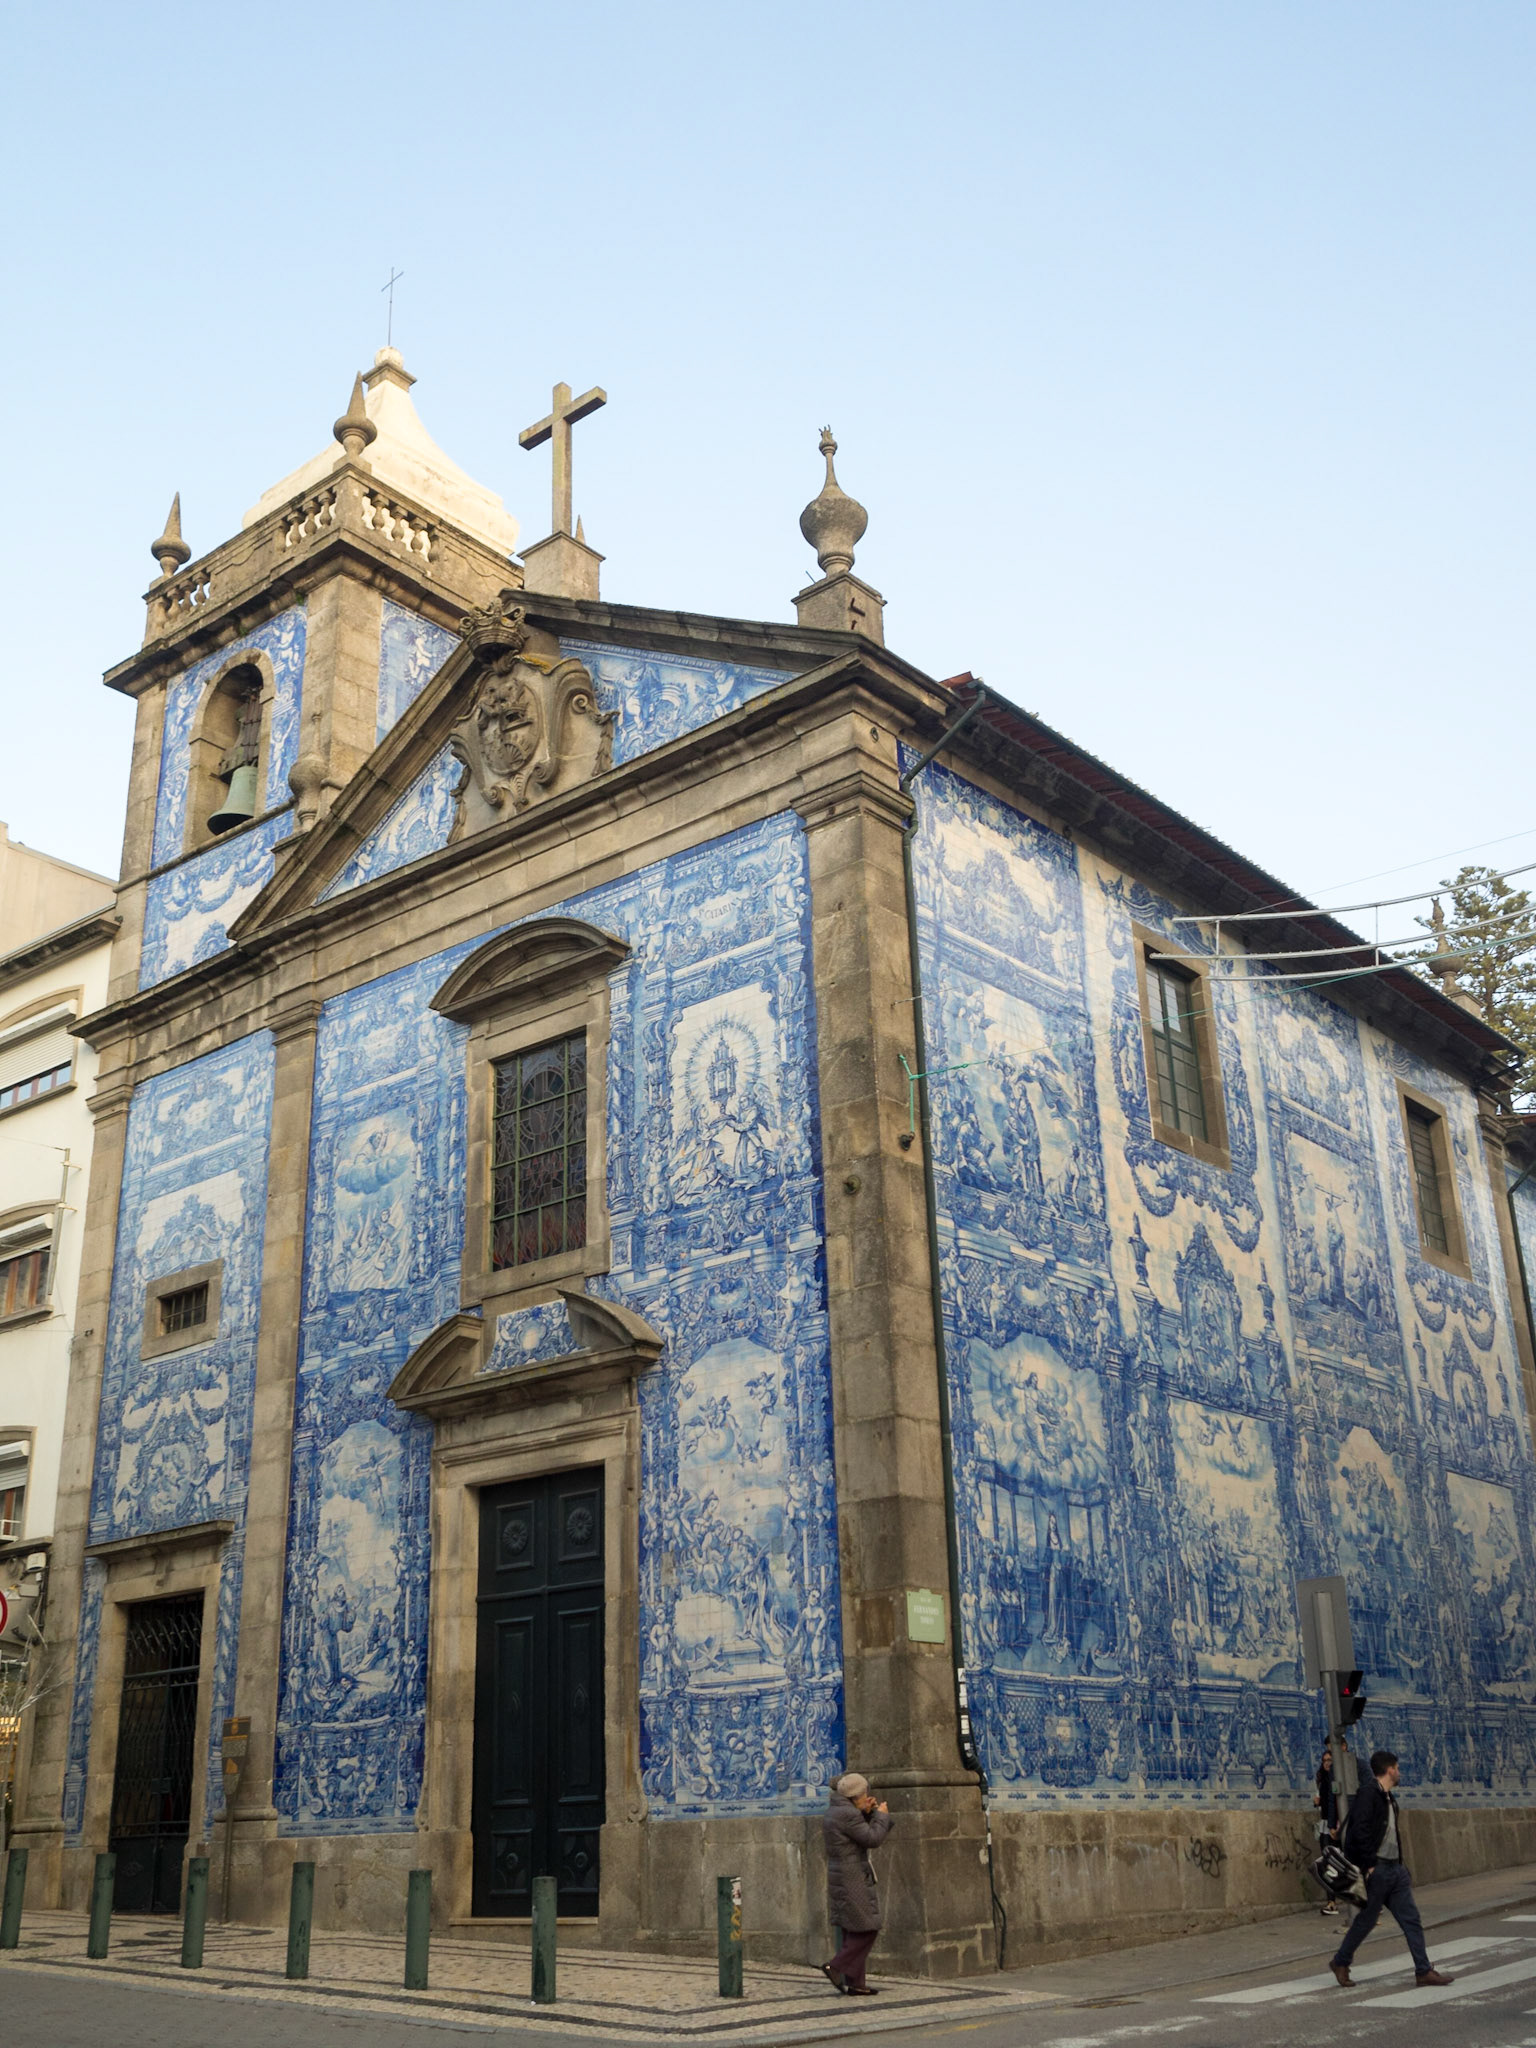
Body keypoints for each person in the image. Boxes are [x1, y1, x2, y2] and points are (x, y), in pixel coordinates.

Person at [1330, 1750, 1454, 1987]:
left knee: (1411, 1919)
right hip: (1378, 1871)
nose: (1399, 1772)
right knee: (1365, 1921)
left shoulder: (1388, 1797)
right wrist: (1370, 1865)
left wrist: (1400, 1864)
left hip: (1395, 1871)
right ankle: (1340, 1961)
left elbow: (1389, 1833)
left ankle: (1423, 1970)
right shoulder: (1369, 1794)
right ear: (1389, 1770)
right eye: (1397, 1768)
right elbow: (1360, 1831)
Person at [821, 1772, 894, 1995]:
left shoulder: (837, 1811)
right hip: (852, 1876)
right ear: (855, 1796)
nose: (867, 1797)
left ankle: (856, 1984)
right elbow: (872, 1839)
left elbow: (857, 1834)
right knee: (867, 1928)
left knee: (853, 1929)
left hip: (841, 1874)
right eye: (864, 1795)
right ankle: (836, 1967)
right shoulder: (848, 1815)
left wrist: (867, 1812)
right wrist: (881, 1816)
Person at [1313, 1742, 1341, 1916]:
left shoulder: (1337, 1778)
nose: (1327, 1763)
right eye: (1324, 1760)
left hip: (1338, 1826)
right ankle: (1331, 1902)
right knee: (1328, 1864)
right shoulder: (1321, 1780)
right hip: (1325, 1826)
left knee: (1348, 1862)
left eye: (1330, 1760)